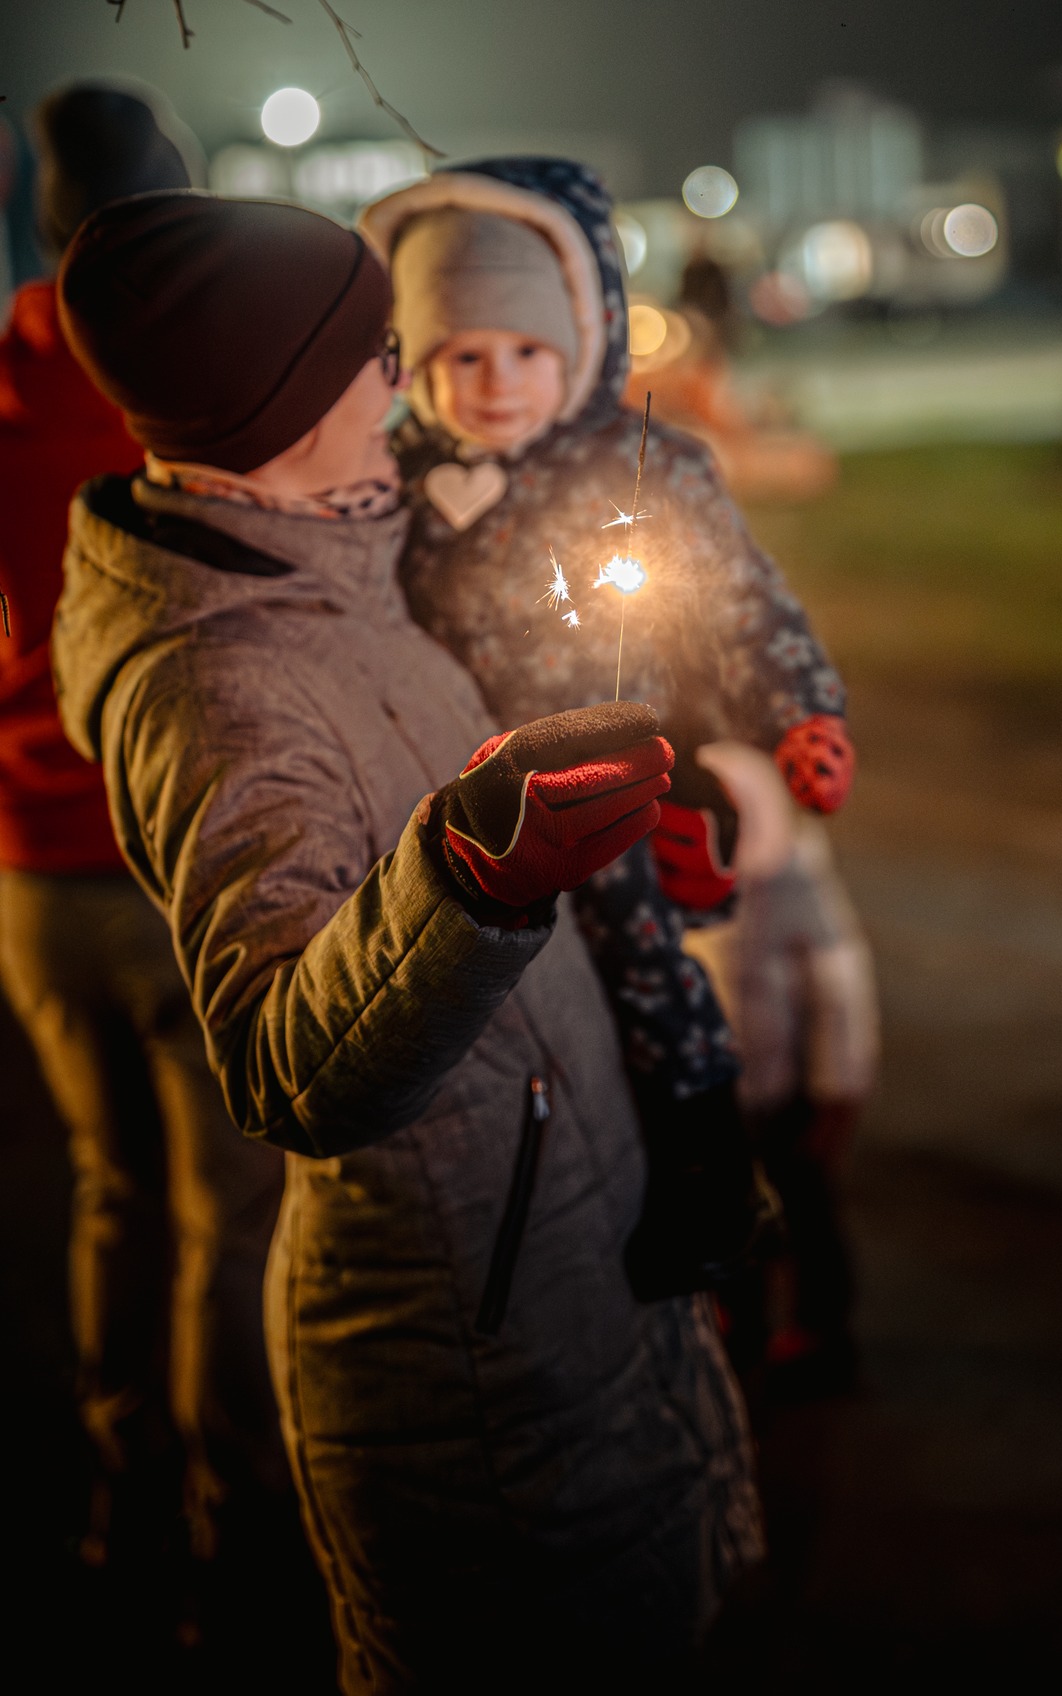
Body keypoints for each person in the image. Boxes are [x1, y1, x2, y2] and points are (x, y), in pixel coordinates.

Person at [51, 189, 762, 1689]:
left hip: (565, 1265)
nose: (406, 372)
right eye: (376, 350)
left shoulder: (336, 559)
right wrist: (474, 876)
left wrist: (632, 834)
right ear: (291, 396)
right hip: (469, 1353)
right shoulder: (219, 683)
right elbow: (286, 1068)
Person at [358, 158, 856, 1297]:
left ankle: (710, 1174)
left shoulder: (639, 467)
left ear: (580, 337)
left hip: (606, 773)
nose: (496, 382)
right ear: (413, 361)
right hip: (459, 795)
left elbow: (743, 602)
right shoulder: (390, 478)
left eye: (527, 351)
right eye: (462, 354)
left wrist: (798, 712)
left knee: (646, 964)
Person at [0, 83, 287, 1570]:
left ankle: (120, 1499)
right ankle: (226, 1538)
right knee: (225, 1229)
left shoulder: (5, 371)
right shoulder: (201, 379)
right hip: (182, 859)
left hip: (34, 870)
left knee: (108, 1195)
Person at [684, 743, 880, 1399]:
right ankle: (740, 1323)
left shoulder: (797, 888)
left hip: (785, 1088)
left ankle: (820, 1328)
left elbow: (839, 994)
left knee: (806, 1206)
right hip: (716, 1089)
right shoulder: (680, 874)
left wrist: (836, 1095)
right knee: (727, 1212)